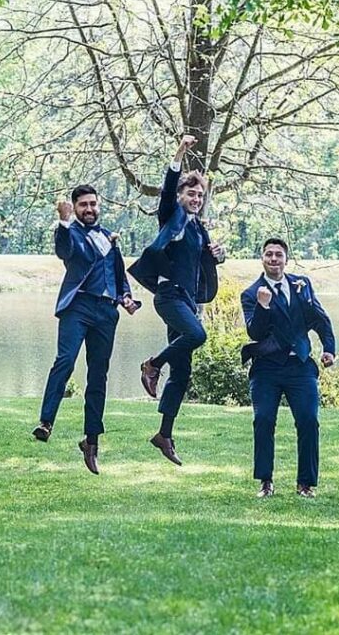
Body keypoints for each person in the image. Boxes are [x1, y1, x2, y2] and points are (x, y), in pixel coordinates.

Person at [128, 134, 226, 466]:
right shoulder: (173, 217)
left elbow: (202, 267)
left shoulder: (199, 229)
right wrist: (179, 154)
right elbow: (168, 191)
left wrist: (217, 255)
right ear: (182, 196)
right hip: (168, 297)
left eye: (200, 195)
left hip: (189, 302)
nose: (196, 198)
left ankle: (164, 435)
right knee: (197, 335)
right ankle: (152, 365)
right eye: (191, 193)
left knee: (182, 373)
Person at [32, 185, 140, 474]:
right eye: (83, 205)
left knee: (98, 376)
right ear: (75, 207)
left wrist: (126, 298)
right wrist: (64, 222)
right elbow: (64, 251)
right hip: (78, 308)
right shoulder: (72, 233)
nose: (89, 209)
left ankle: (91, 442)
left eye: (93, 204)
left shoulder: (108, 237)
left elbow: (118, 274)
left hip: (106, 311)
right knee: (65, 360)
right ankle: (46, 422)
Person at [241, 238, 336, 498]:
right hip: (267, 368)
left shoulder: (301, 284)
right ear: (262, 258)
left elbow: (319, 318)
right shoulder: (251, 293)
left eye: (278, 255)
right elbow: (255, 331)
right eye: (269, 254)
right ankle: (265, 482)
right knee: (263, 420)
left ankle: (305, 483)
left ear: (286, 258)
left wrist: (329, 348)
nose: (274, 259)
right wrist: (262, 306)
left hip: (301, 365)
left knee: (308, 421)